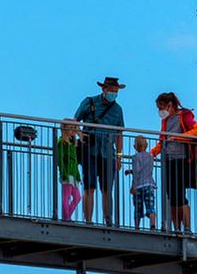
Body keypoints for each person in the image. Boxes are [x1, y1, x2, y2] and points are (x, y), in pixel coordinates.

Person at [72, 76, 126, 224]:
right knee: (89, 187)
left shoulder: (118, 109)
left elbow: (119, 134)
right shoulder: (89, 102)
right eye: (112, 91)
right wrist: (81, 135)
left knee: (107, 189)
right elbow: (74, 122)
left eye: (116, 92)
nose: (114, 94)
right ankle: (88, 221)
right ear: (104, 89)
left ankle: (108, 220)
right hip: (90, 150)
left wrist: (119, 156)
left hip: (108, 153)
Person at [152, 92, 197, 233]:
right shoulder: (165, 121)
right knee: (171, 196)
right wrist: (151, 154)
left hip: (181, 159)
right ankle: (176, 228)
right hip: (168, 160)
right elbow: (162, 141)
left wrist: (179, 137)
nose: (160, 111)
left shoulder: (184, 115)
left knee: (180, 195)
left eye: (161, 107)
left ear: (169, 105)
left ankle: (186, 227)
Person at [56, 120, 84, 221]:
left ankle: (66, 216)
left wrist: (78, 175)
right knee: (67, 196)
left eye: (74, 128)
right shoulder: (61, 142)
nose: (73, 130)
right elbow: (60, 159)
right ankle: (66, 217)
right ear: (64, 128)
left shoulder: (72, 144)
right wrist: (63, 172)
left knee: (77, 197)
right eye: (71, 128)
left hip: (73, 173)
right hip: (67, 172)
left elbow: (75, 161)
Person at [128, 135, 157, 230]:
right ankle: (153, 226)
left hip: (139, 186)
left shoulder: (135, 157)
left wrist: (133, 186)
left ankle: (137, 227)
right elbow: (145, 170)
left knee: (138, 207)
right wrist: (131, 171)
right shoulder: (150, 157)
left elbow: (137, 171)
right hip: (149, 184)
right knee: (150, 205)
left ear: (136, 146)